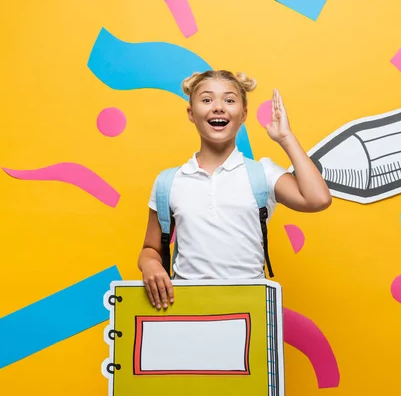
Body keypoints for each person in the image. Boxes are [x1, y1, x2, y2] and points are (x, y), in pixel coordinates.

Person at [137, 69, 332, 309]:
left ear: (243, 115)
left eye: (229, 100)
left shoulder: (263, 173)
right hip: (186, 309)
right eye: (207, 100)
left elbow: (318, 199)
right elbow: (150, 249)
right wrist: (150, 264)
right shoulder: (169, 181)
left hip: (250, 309)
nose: (218, 107)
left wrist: (286, 138)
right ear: (191, 113)